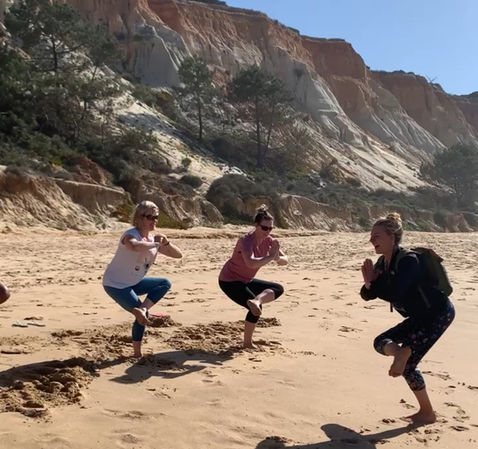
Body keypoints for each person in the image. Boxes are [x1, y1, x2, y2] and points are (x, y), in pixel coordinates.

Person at [360, 212, 455, 424]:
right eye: (371, 236)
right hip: (419, 317)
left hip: (438, 314)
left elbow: (395, 293)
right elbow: (366, 295)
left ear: (391, 237)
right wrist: (369, 283)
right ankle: (401, 354)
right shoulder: (383, 263)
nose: (371, 240)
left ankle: (427, 412)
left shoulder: (409, 260)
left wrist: (373, 284)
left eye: (376, 236)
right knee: (380, 342)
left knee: (409, 366)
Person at [103, 200, 182, 358]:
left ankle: (143, 309)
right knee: (139, 316)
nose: (154, 220)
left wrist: (165, 242)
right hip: (115, 284)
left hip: (134, 282)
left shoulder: (153, 240)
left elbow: (178, 255)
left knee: (164, 283)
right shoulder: (130, 235)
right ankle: (137, 353)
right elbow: (134, 246)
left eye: (156, 217)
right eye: (150, 217)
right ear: (139, 218)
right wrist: (155, 245)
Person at [219, 205, 287, 349]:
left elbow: (285, 260)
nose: (267, 232)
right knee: (255, 309)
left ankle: (256, 300)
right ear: (256, 225)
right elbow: (250, 263)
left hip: (246, 280)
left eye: (270, 229)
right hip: (229, 280)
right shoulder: (246, 240)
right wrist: (270, 257)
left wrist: (277, 257)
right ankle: (247, 343)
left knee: (278, 288)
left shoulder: (269, 240)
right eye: (264, 228)